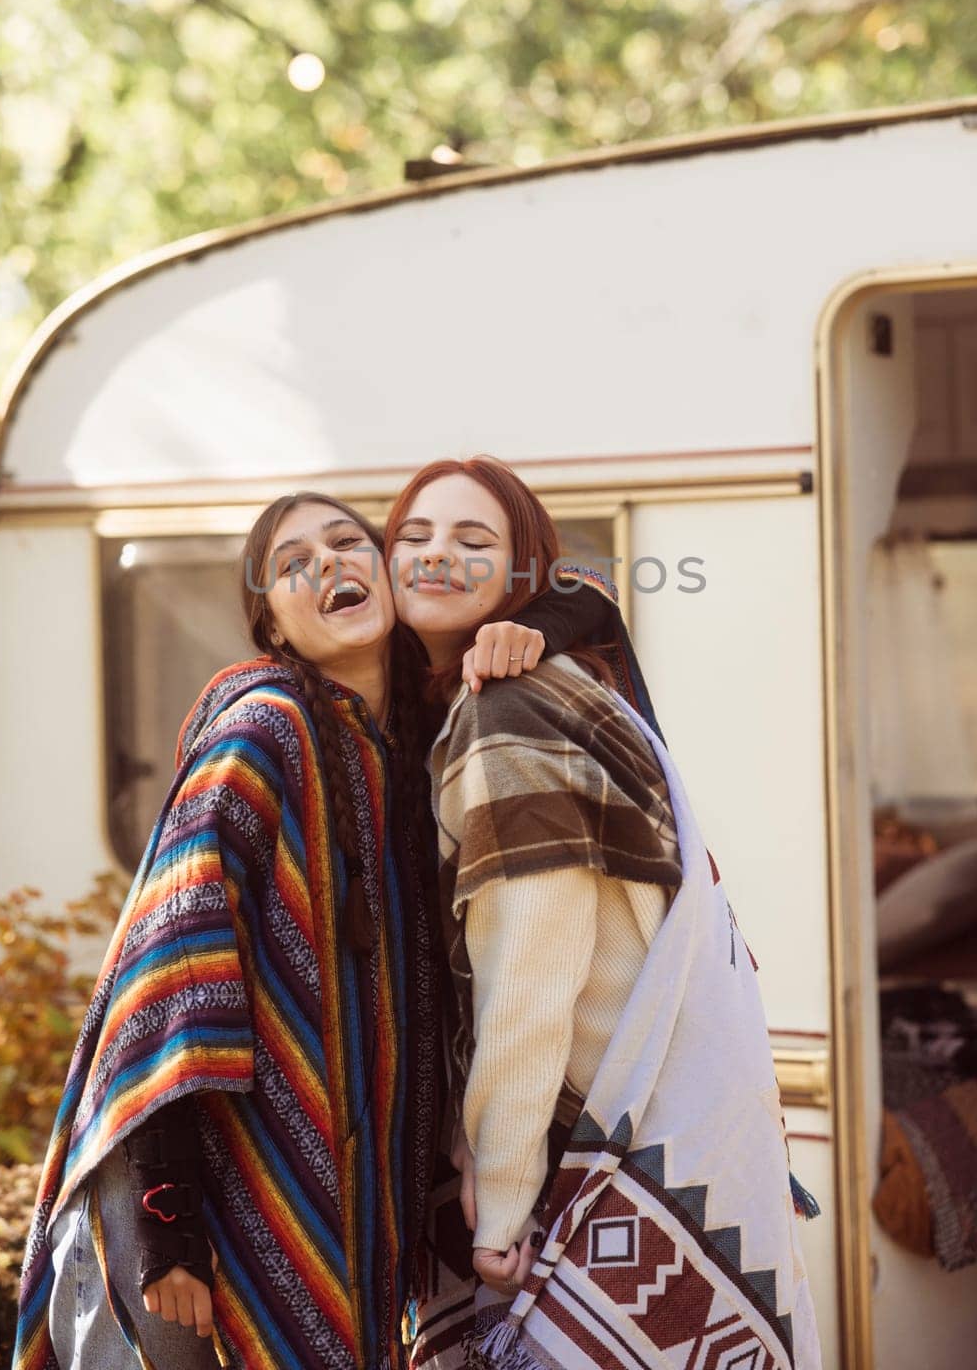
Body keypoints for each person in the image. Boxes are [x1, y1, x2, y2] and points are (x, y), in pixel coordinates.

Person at [13, 490, 637, 1370]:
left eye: (349, 542)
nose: (330, 565)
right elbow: (168, 982)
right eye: (292, 563)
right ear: (271, 624)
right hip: (203, 1213)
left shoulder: (417, 737)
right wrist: (167, 1227)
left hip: (351, 1203)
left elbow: (592, 591)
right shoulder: (260, 737)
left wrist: (547, 615)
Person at [386, 457, 823, 1370]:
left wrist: (499, 1198)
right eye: (413, 536)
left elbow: (529, 981)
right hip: (683, 1127)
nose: (436, 555)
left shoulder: (507, 717)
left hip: (604, 1155)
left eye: (473, 541)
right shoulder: (545, 690)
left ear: (517, 576)